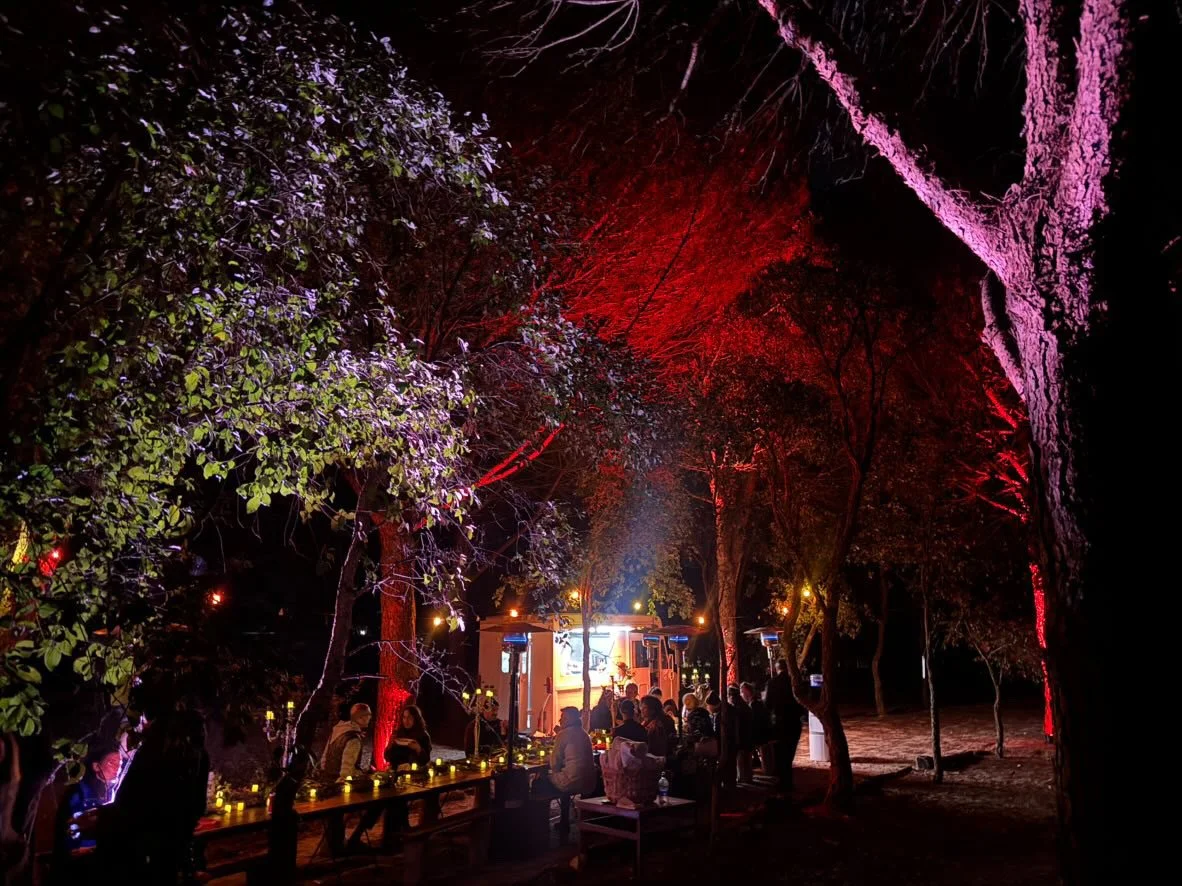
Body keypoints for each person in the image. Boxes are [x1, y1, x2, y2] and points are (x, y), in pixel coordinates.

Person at [97, 708, 210, 882]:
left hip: (145, 840)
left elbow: (128, 799)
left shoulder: (154, 753)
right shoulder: (196, 755)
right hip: (169, 839)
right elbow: (197, 805)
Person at [535, 707, 596, 831]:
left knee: (538, 784)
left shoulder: (563, 734)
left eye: (562, 717)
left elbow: (554, 764)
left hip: (571, 781)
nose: (560, 720)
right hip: (589, 781)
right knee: (565, 777)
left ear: (569, 719)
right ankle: (564, 820)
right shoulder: (584, 733)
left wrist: (548, 762)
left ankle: (540, 824)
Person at [56, 744, 121, 855]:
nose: (117, 767)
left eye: (120, 763)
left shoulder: (111, 791)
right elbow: (73, 824)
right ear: (96, 766)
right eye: (111, 763)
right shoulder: (81, 790)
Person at [766, 659, 805, 791]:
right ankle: (787, 782)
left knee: (780, 754)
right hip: (794, 722)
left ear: (777, 669)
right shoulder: (794, 682)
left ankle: (783, 782)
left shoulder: (772, 683)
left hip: (779, 724)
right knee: (789, 753)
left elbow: (768, 704)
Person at [320, 703, 373, 785]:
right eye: (368, 715)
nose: (370, 718)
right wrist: (344, 781)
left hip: (327, 776)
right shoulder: (353, 738)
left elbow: (324, 759)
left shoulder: (338, 730)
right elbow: (347, 767)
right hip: (338, 781)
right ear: (361, 717)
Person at [383, 705, 431, 770]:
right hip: (396, 771)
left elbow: (426, 761)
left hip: (414, 772)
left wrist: (418, 748)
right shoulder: (398, 733)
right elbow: (387, 758)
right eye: (404, 717)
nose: (406, 721)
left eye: (410, 718)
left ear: (416, 719)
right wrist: (389, 745)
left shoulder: (423, 736)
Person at [742, 681, 773, 777]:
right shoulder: (757, 702)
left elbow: (755, 721)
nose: (741, 694)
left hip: (759, 733)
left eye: (742, 692)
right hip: (762, 733)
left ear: (747, 692)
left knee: (763, 753)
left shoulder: (753, 704)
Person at [729, 685, 754, 784]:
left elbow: (737, 724)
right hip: (748, 735)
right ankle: (748, 777)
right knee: (747, 757)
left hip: (741, 736)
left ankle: (742, 777)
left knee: (741, 758)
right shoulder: (744, 705)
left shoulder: (736, 708)